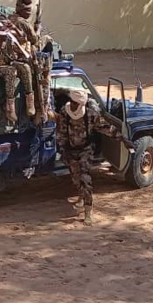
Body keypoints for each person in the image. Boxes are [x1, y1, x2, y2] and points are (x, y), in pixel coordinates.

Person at [55, 89, 134, 226]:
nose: (73, 105)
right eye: (72, 102)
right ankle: (81, 195)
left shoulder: (91, 115)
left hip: (86, 149)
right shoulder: (64, 112)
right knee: (76, 176)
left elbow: (107, 128)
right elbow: (61, 133)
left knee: (85, 176)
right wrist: (63, 150)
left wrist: (124, 139)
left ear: (82, 104)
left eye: (76, 103)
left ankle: (88, 210)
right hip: (71, 150)